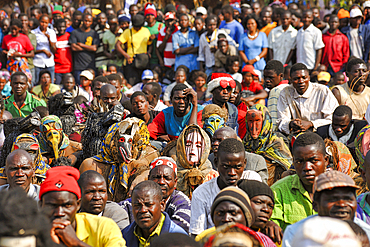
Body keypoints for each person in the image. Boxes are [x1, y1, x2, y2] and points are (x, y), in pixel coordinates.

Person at [39, 166, 126, 246]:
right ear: (40, 206)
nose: (59, 213)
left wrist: (75, 242)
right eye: (51, 206)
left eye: (67, 205)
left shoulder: (103, 227)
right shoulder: (30, 231)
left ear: (78, 205)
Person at [282, 170, 370, 247]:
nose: (342, 204)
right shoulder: (297, 232)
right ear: (315, 205)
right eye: (333, 199)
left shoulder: (366, 232)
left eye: (348, 199)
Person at [80, 118, 158, 202]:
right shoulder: (90, 164)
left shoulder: (132, 164)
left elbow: (145, 170)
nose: (126, 145)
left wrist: (141, 177)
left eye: (130, 141)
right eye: (121, 140)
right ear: (111, 140)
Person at [271, 132, 329, 231]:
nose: (307, 167)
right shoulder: (278, 191)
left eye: (313, 160)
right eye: (299, 162)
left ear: (326, 160)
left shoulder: (338, 192)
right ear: (293, 162)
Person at [189, 138, 246, 236]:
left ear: (244, 164)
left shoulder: (249, 188)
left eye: (237, 167)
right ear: (216, 163)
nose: (232, 173)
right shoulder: (201, 194)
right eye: (225, 167)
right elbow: (197, 235)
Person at [277, 63, 339, 135]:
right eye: (296, 79)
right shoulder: (285, 92)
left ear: (309, 78)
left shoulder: (322, 91)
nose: (301, 81)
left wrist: (311, 124)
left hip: (319, 133)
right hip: (295, 134)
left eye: (304, 77)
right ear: (290, 79)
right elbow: (281, 120)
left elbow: (332, 119)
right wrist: (291, 124)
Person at [122, 181, 187, 246]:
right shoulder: (123, 237)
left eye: (148, 204)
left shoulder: (178, 240)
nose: (143, 210)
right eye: (137, 205)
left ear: (162, 205)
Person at [242, 105, 292, 186]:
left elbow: (288, 168)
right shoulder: (246, 142)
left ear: (265, 121)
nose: (253, 127)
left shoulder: (276, 143)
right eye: (250, 121)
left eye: (257, 121)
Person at [238, 179, 281, 245]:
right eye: (258, 202)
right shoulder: (225, 233)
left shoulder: (272, 236)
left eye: (270, 206)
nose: (266, 209)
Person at [116, 14, 152, 86]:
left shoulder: (146, 31)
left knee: (144, 84)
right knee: (132, 84)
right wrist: (126, 55)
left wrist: (149, 53)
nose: (137, 28)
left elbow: (150, 44)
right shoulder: (127, 32)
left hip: (143, 61)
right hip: (131, 62)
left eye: (139, 27)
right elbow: (117, 45)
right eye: (135, 27)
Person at [69, 13, 99, 85]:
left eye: (89, 21)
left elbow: (94, 48)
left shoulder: (94, 33)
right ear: (82, 21)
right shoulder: (75, 32)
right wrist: (89, 48)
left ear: (92, 22)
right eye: (86, 20)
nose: (87, 23)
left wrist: (82, 45)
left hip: (90, 66)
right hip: (78, 67)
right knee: (79, 88)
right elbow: (73, 47)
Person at [32, 14, 56, 84]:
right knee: (37, 82)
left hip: (49, 62)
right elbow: (32, 50)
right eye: (42, 22)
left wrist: (49, 39)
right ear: (39, 21)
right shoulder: (34, 33)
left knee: (50, 83)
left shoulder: (51, 32)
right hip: (38, 62)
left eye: (46, 22)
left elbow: (54, 50)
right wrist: (43, 51)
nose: (44, 24)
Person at [264, 60, 289, 128]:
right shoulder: (289, 88)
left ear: (281, 76)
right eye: (265, 77)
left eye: (271, 77)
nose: (267, 80)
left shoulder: (275, 91)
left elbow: (273, 120)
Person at [54, 18, 72, 85]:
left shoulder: (69, 36)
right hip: (57, 69)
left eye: (63, 27)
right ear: (56, 27)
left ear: (66, 26)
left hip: (68, 68)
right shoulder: (54, 38)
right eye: (59, 27)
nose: (61, 29)